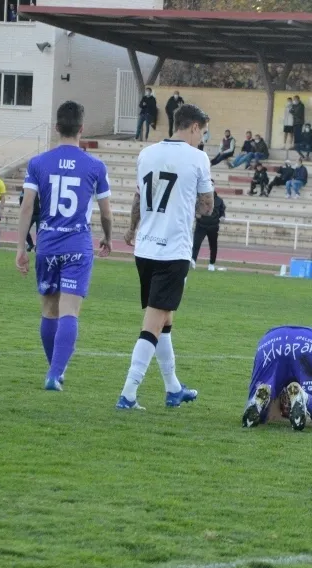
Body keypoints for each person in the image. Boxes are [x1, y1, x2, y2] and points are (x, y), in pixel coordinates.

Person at [115, 104, 213, 410]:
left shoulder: (147, 153)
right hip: (173, 251)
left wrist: (132, 229)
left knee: (165, 318)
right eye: (203, 133)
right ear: (194, 127)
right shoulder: (198, 158)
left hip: (145, 248)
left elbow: (136, 197)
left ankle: (173, 388)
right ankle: (128, 394)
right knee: (153, 323)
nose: (203, 139)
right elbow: (207, 204)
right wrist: (191, 209)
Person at [15, 101, 113, 391]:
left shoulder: (38, 163)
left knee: (49, 310)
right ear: (82, 129)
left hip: (47, 244)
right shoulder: (95, 166)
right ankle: (54, 374)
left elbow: (27, 207)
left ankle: (53, 370)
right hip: (77, 246)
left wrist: (21, 247)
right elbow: (106, 212)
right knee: (70, 310)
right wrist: (108, 236)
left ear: (57, 127)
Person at [243, 326, 312, 431]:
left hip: (271, 341)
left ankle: (259, 402)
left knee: (262, 411)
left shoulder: (277, 391)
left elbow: (274, 417)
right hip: (311, 342)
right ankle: (305, 398)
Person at [191, 191, 225, 272]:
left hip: (213, 226)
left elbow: (222, 212)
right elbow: (194, 209)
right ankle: (193, 261)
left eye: (212, 184)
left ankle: (211, 264)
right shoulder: (200, 198)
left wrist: (221, 217)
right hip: (201, 225)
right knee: (196, 244)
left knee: (213, 246)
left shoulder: (219, 200)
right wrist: (196, 214)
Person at [20, 187, 41, 252]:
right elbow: (21, 199)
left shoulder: (42, 187)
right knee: (24, 230)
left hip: (40, 214)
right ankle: (30, 244)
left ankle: (38, 246)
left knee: (39, 233)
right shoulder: (26, 187)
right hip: (29, 214)